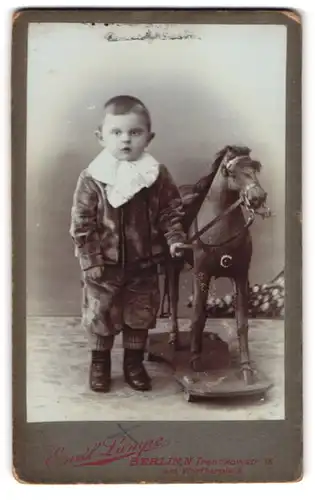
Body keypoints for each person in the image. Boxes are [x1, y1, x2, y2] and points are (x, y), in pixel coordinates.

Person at [70, 95, 187, 393]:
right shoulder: (93, 177)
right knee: (101, 314)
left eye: (135, 133)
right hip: (104, 266)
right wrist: (91, 259)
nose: (126, 140)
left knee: (140, 314)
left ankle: (133, 364)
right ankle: (100, 363)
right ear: (100, 137)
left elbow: (170, 212)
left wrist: (174, 239)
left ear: (149, 137)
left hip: (144, 264)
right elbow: (82, 223)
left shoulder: (156, 175)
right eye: (116, 133)